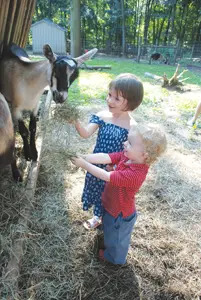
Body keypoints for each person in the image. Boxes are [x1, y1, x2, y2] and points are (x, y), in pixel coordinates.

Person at [72, 124, 167, 264]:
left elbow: (106, 175)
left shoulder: (136, 174)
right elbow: (107, 157)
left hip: (120, 215)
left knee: (117, 240)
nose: (124, 143)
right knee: (109, 230)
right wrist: (84, 157)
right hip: (111, 205)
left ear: (144, 154)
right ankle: (107, 238)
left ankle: (114, 258)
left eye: (129, 143)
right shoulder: (127, 156)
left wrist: (84, 164)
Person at [72, 73, 144, 229]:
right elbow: (85, 133)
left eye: (116, 99)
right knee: (96, 189)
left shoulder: (132, 126)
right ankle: (97, 216)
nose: (109, 100)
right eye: (109, 95)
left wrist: (118, 167)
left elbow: (130, 154)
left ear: (130, 103)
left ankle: (107, 219)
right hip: (97, 161)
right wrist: (75, 121)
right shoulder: (102, 116)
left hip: (114, 169)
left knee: (108, 194)